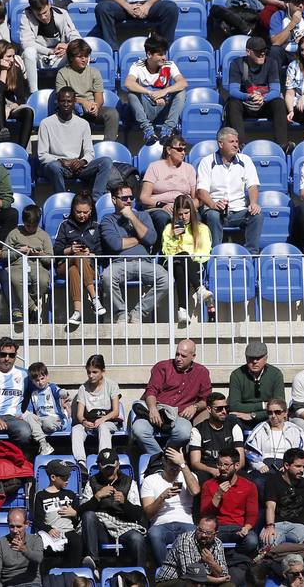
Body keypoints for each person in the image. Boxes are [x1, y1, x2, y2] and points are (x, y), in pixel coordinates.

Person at [100, 180, 170, 323]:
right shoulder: (108, 220)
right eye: (124, 198)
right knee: (107, 276)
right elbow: (116, 244)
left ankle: (139, 312)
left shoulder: (143, 216)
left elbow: (151, 239)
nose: (129, 201)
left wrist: (132, 216)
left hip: (144, 262)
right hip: (120, 264)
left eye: (131, 198)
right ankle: (121, 312)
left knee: (166, 278)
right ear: (114, 200)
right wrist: (140, 237)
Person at [130, 339, 210, 456]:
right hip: (157, 411)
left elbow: (206, 399)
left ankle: (168, 454)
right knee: (139, 429)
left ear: (193, 356)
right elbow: (151, 391)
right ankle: (160, 457)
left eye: (183, 356)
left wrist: (195, 407)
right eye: (177, 354)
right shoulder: (162, 367)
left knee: (184, 432)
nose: (178, 358)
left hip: (179, 415)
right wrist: (152, 408)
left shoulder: (202, 372)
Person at [36, 86, 112, 195]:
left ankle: (96, 199)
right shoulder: (46, 123)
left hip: (77, 166)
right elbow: (42, 155)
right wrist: (61, 161)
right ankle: (62, 198)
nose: (66, 104)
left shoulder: (83, 124)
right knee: (54, 167)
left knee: (106, 162)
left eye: (69, 101)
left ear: (74, 102)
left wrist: (82, 162)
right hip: (58, 165)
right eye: (63, 101)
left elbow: (90, 152)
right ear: (57, 102)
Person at [224, 35, 290, 147]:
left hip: (264, 103)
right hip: (246, 103)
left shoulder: (271, 62)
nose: (262, 54)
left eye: (264, 51)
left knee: (278, 102)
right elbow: (233, 91)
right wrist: (249, 96)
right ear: (248, 52)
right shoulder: (237, 63)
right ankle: (239, 145)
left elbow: (275, 90)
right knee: (232, 103)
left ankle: (283, 145)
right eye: (258, 52)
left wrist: (263, 98)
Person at [55, 193, 106, 325]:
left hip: (88, 268)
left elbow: (101, 254)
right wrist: (70, 250)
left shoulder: (96, 226)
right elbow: (56, 251)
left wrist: (91, 254)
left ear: (91, 211)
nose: (82, 215)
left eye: (85, 212)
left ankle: (77, 312)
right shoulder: (65, 225)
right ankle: (95, 299)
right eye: (78, 212)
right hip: (64, 264)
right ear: (73, 210)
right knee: (77, 256)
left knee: (74, 270)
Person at [161, 195, 212, 327]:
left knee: (182, 266)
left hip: (195, 263)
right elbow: (167, 252)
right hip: (173, 262)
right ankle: (199, 289)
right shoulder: (169, 229)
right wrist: (176, 238)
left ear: (192, 212)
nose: (183, 217)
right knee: (181, 259)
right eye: (180, 214)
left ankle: (182, 309)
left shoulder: (202, 228)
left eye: (186, 213)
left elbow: (205, 251)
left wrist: (189, 258)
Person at [55, 39, 120, 141]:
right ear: (71, 58)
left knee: (112, 113)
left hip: (91, 109)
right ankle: (74, 147)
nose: (84, 59)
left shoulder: (94, 72)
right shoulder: (62, 73)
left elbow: (99, 97)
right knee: (68, 111)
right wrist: (83, 102)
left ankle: (108, 145)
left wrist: (96, 107)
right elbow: (62, 97)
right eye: (80, 57)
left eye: (86, 56)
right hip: (73, 108)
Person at [142, 448, 200, 560]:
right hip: (161, 524)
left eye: (177, 464)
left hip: (185, 523)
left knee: (194, 533)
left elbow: (195, 491)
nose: (174, 467)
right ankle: (167, 571)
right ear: (163, 461)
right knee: (154, 534)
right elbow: (148, 514)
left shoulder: (189, 476)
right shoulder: (150, 480)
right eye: (171, 463)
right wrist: (162, 497)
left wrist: (182, 464)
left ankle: (188, 570)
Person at [69, 354, 119, 463]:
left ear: (103, 371)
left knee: (103, 427)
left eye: (95, 372)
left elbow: (116, 412)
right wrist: (84, 421)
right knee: (76, 429)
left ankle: (105, 460)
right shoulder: (83, 388)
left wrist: (103, 419)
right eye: (88, 372)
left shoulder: (112, 385)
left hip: (107, 421)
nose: (91, 375)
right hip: (90, 423)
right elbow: (79, 414)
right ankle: (81, 462)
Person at [32, 459, 82, 567]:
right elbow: (37, 520)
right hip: (51, 532)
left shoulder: (71, 494)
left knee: (76, 541)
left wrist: (74, 514)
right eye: (64, 477)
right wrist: (48, 529)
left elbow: (79, 518)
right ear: (53, 477)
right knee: (44, 547)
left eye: (68, 476)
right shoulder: (41, 495)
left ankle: (74, 571)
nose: (67, 480)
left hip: (69, 531)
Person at [0, 508, 42, 587]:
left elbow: (39, 558)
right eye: (12, 526)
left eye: (19, 526)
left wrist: (24, 550)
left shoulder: (35, 539)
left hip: (31, 584)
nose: (15, 530)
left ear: (26, 524)